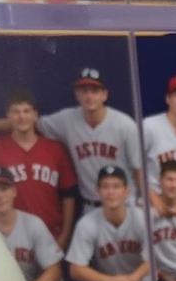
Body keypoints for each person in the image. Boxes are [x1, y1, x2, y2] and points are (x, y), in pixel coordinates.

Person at [38, 68, 144, 211]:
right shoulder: (66, 120)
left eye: (95, 91)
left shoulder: (125, 125)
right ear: (77, 95)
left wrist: (143, 202)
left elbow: (139, 170)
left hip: (125, 206)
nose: (89, 96)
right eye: (84, 91)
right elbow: (29, 123)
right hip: (91, 206)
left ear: (104, 95)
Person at [0, 90, 77, 247]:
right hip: (10, 239)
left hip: (51, 234)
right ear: (8, 116)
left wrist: (65, 236)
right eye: (16, 112)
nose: (21, 117)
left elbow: (68, 195)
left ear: (35, 115)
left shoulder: (55, 148)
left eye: (26, 111)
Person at [142, 74, 176, 214]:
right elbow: (134, 167)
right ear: (168, 99)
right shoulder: (149, 126)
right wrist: (153, 197)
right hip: (147, 201)